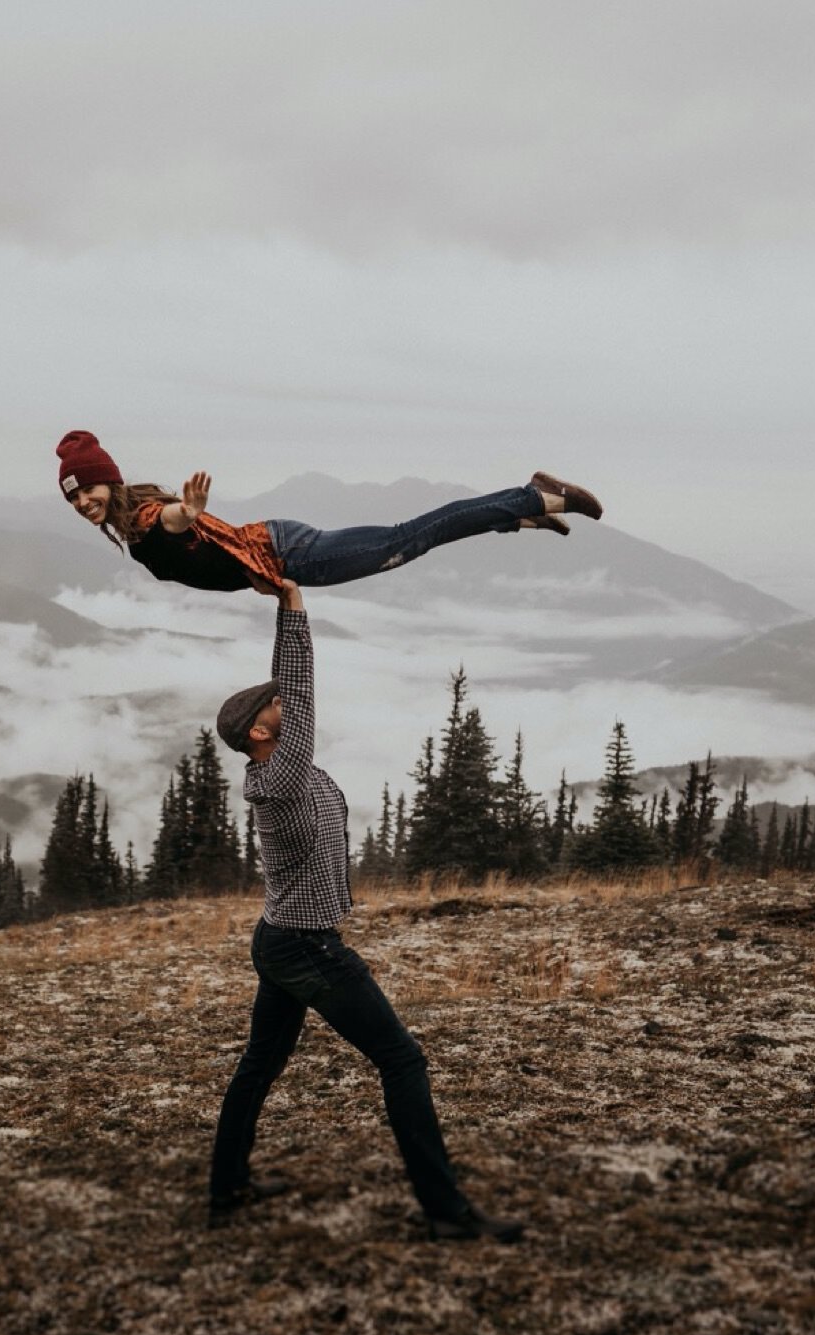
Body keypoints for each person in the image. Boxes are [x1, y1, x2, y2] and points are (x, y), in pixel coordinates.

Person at [206, 576, 526, 1242]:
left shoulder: (280, 771)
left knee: (260, 1063)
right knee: (402, 1059)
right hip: (304, 946)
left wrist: (280, 597)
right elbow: (297, 682)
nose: (283, 704)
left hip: (279, 938)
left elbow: (287, 693)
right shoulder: (284, 779)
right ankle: (447, 1212)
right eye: (273, 705)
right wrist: (292, 602)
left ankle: (227, 1184)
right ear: (262, 730)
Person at [54, 430, 601, 593]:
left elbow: (168, 523)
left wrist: (187, 514)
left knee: (413, 536)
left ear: (109, 482)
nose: (82, 503)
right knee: (415, 539)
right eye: (73, 498)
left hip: (294, 554)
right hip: (281, 548)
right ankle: (516, 517)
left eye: (87, 491)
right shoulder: (130, 520)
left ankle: (533, 495)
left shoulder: (143, 520)